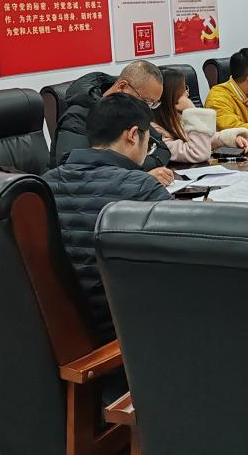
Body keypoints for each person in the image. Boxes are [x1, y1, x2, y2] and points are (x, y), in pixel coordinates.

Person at [43, 94, 171, 342]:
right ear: (133, 135)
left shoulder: (46, 183)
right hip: (125, 328)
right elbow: (187, 249)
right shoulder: (141, 187)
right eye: (149, 144)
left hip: (62, 328)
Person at [53, 60, 173, 184]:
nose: (147, 109)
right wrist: (138, 175)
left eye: (153, 104)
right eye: (146, 101)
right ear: (122, 87)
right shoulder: (78, 116)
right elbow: (71, 170)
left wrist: (139, 171)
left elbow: (162, 149)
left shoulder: (133, 111)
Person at [152, 68, 248, 163]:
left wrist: (230, 139)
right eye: (183, 90)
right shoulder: (154, 132)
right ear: (171, 97)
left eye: (186, 88)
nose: (187, 94)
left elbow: (205, 138)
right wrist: (191, 110)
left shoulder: (177, 118)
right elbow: (197, 153)